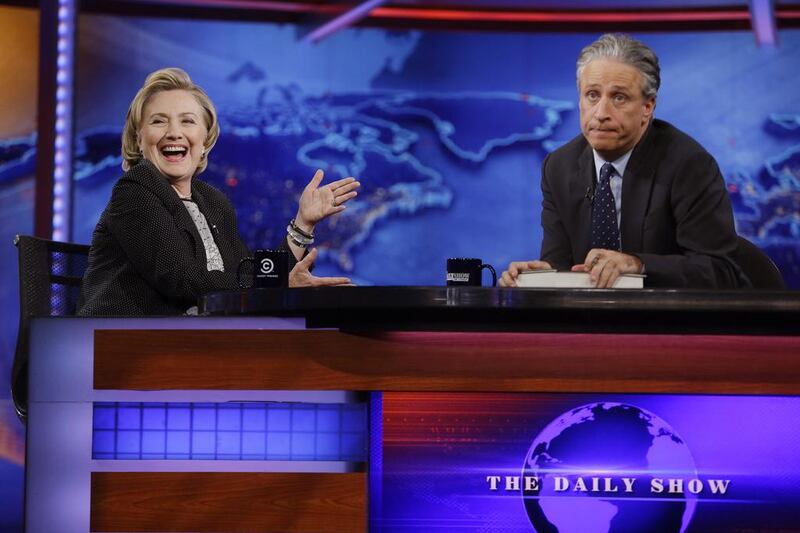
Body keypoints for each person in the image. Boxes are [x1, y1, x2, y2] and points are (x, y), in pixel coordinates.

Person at [77, 67, 360, 315]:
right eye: (159, 121)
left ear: (205, 140)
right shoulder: (135, 191)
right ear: (139, 140)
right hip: (119, 347)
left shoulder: (212, 202)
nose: (174, 132)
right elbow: (183, 280)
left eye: (187, 121)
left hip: (189, 346)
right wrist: (278, 282)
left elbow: (247, 275)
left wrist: (303, 223)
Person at [500, 33, 748, 289]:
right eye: (592, 95)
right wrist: (540, 276)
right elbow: (561, 263)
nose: (602, 113)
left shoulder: (689, 165)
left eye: (619, 98)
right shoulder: (558, 167)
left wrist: (637, 265)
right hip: (587, 323)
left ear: (647, 107)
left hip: (668, 321)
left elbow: (720, 271)